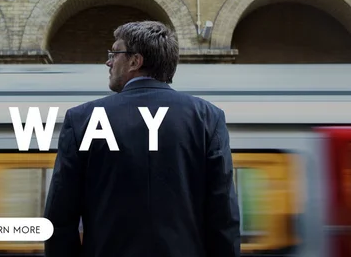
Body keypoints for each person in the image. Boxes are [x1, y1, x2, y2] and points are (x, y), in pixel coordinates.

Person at [43, 21, 240, 257]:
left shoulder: (82, 119)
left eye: (114, 53)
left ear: (135, 61)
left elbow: (60, 218)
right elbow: (223, 214)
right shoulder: (207, 117)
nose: (108, 62)